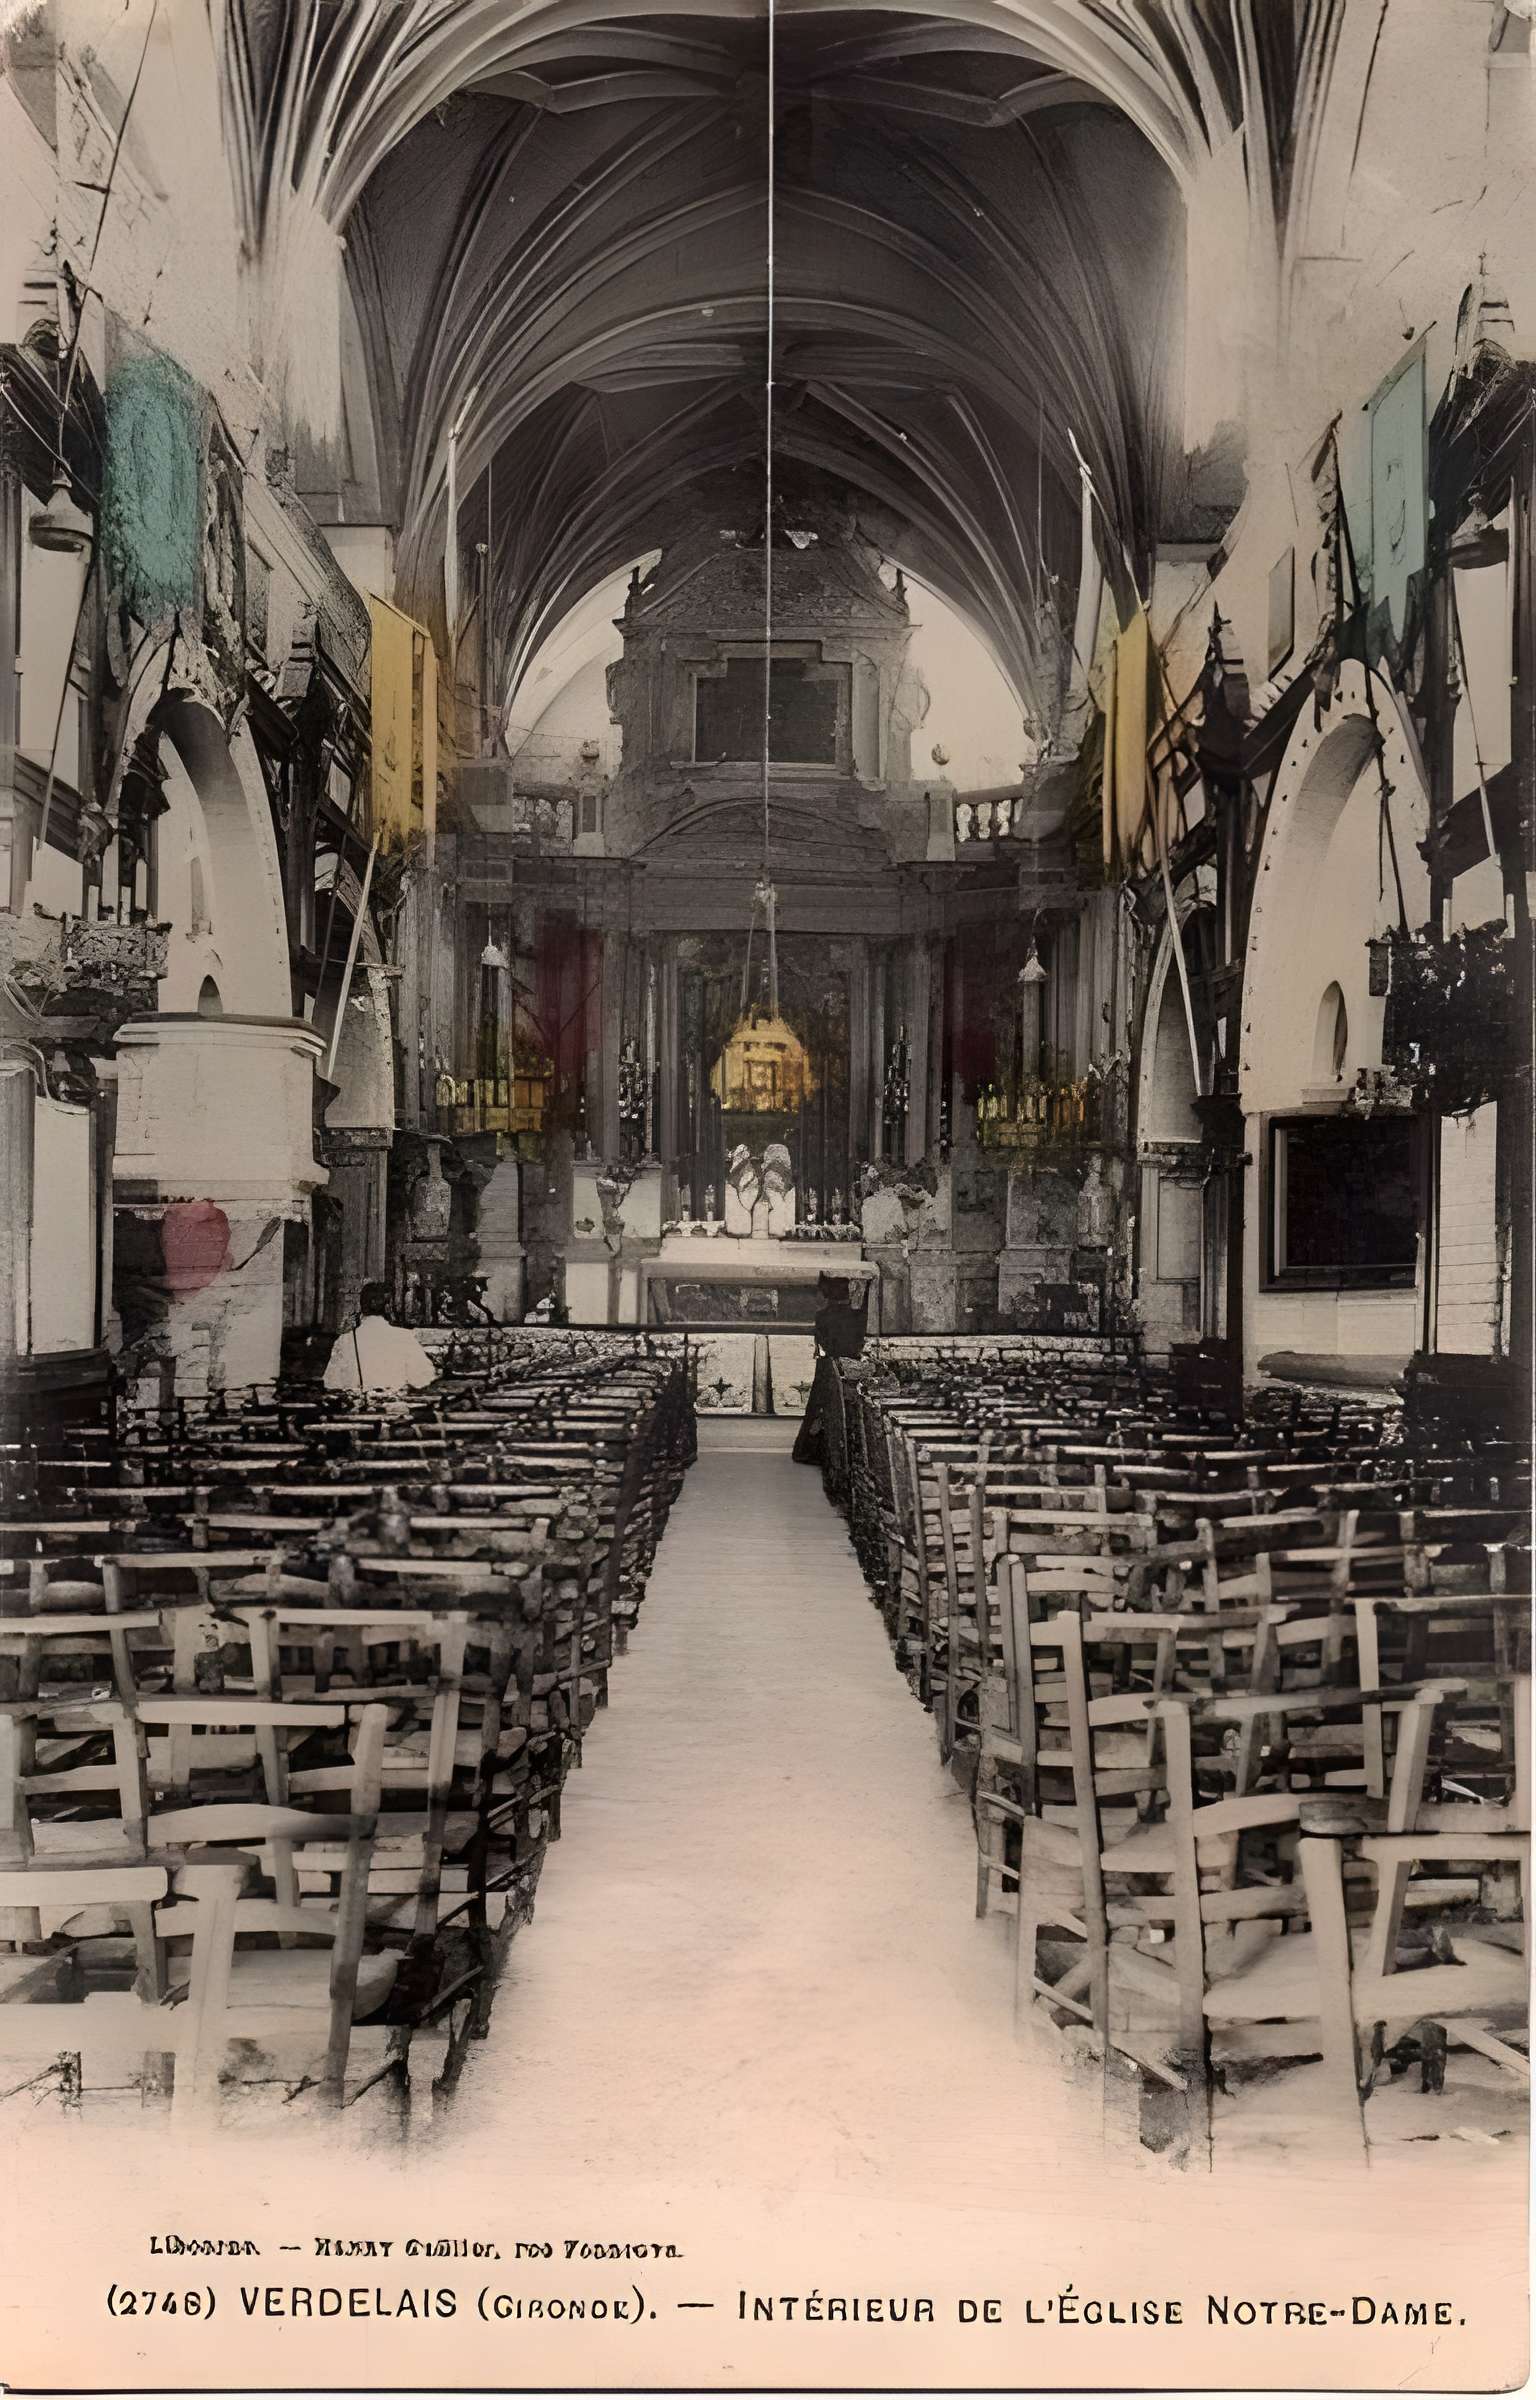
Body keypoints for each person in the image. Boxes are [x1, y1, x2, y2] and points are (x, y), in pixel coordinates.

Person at [792, 1271, 868, 1492]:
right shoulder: (854, 1315)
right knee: (830, 1409)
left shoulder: (823, 1316)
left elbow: (822, 1339)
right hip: (844, 1364)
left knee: (821, 1408)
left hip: (830, 1365)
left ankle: (814, 1449)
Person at [323, 1281, 438, 1393]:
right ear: (388, 1308)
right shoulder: (404, 1337)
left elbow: (330, 1383)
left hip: (356, 1408)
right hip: (395, 1409)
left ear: (362, 1307)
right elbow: (424, 1378)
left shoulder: (345, 1340)